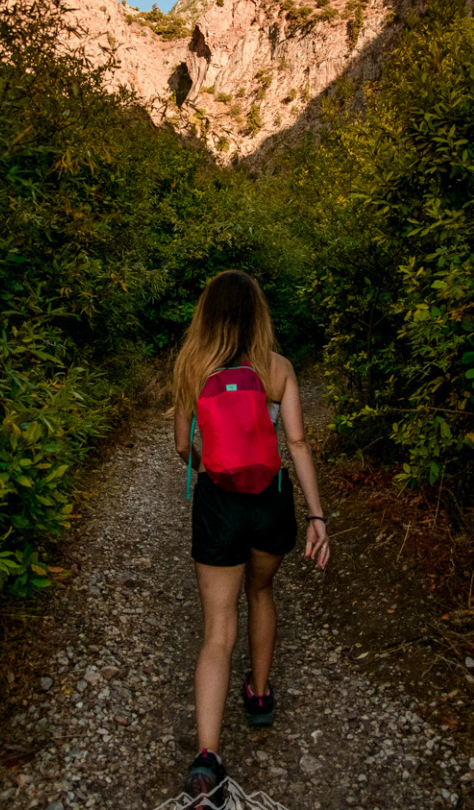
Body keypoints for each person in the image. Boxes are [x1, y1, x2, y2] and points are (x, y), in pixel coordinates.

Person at [173, 270, 331, 803]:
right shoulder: (278, 369)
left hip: (218, 503)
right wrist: (317, 517)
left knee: (218, 628)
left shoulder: (192, 367)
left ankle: (208, 758)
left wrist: (212, 462)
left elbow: (180, 449)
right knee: (261, 592)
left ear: (209, 313)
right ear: (258, 313)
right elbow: (299, 443)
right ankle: (259, 696)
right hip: (270, 503)